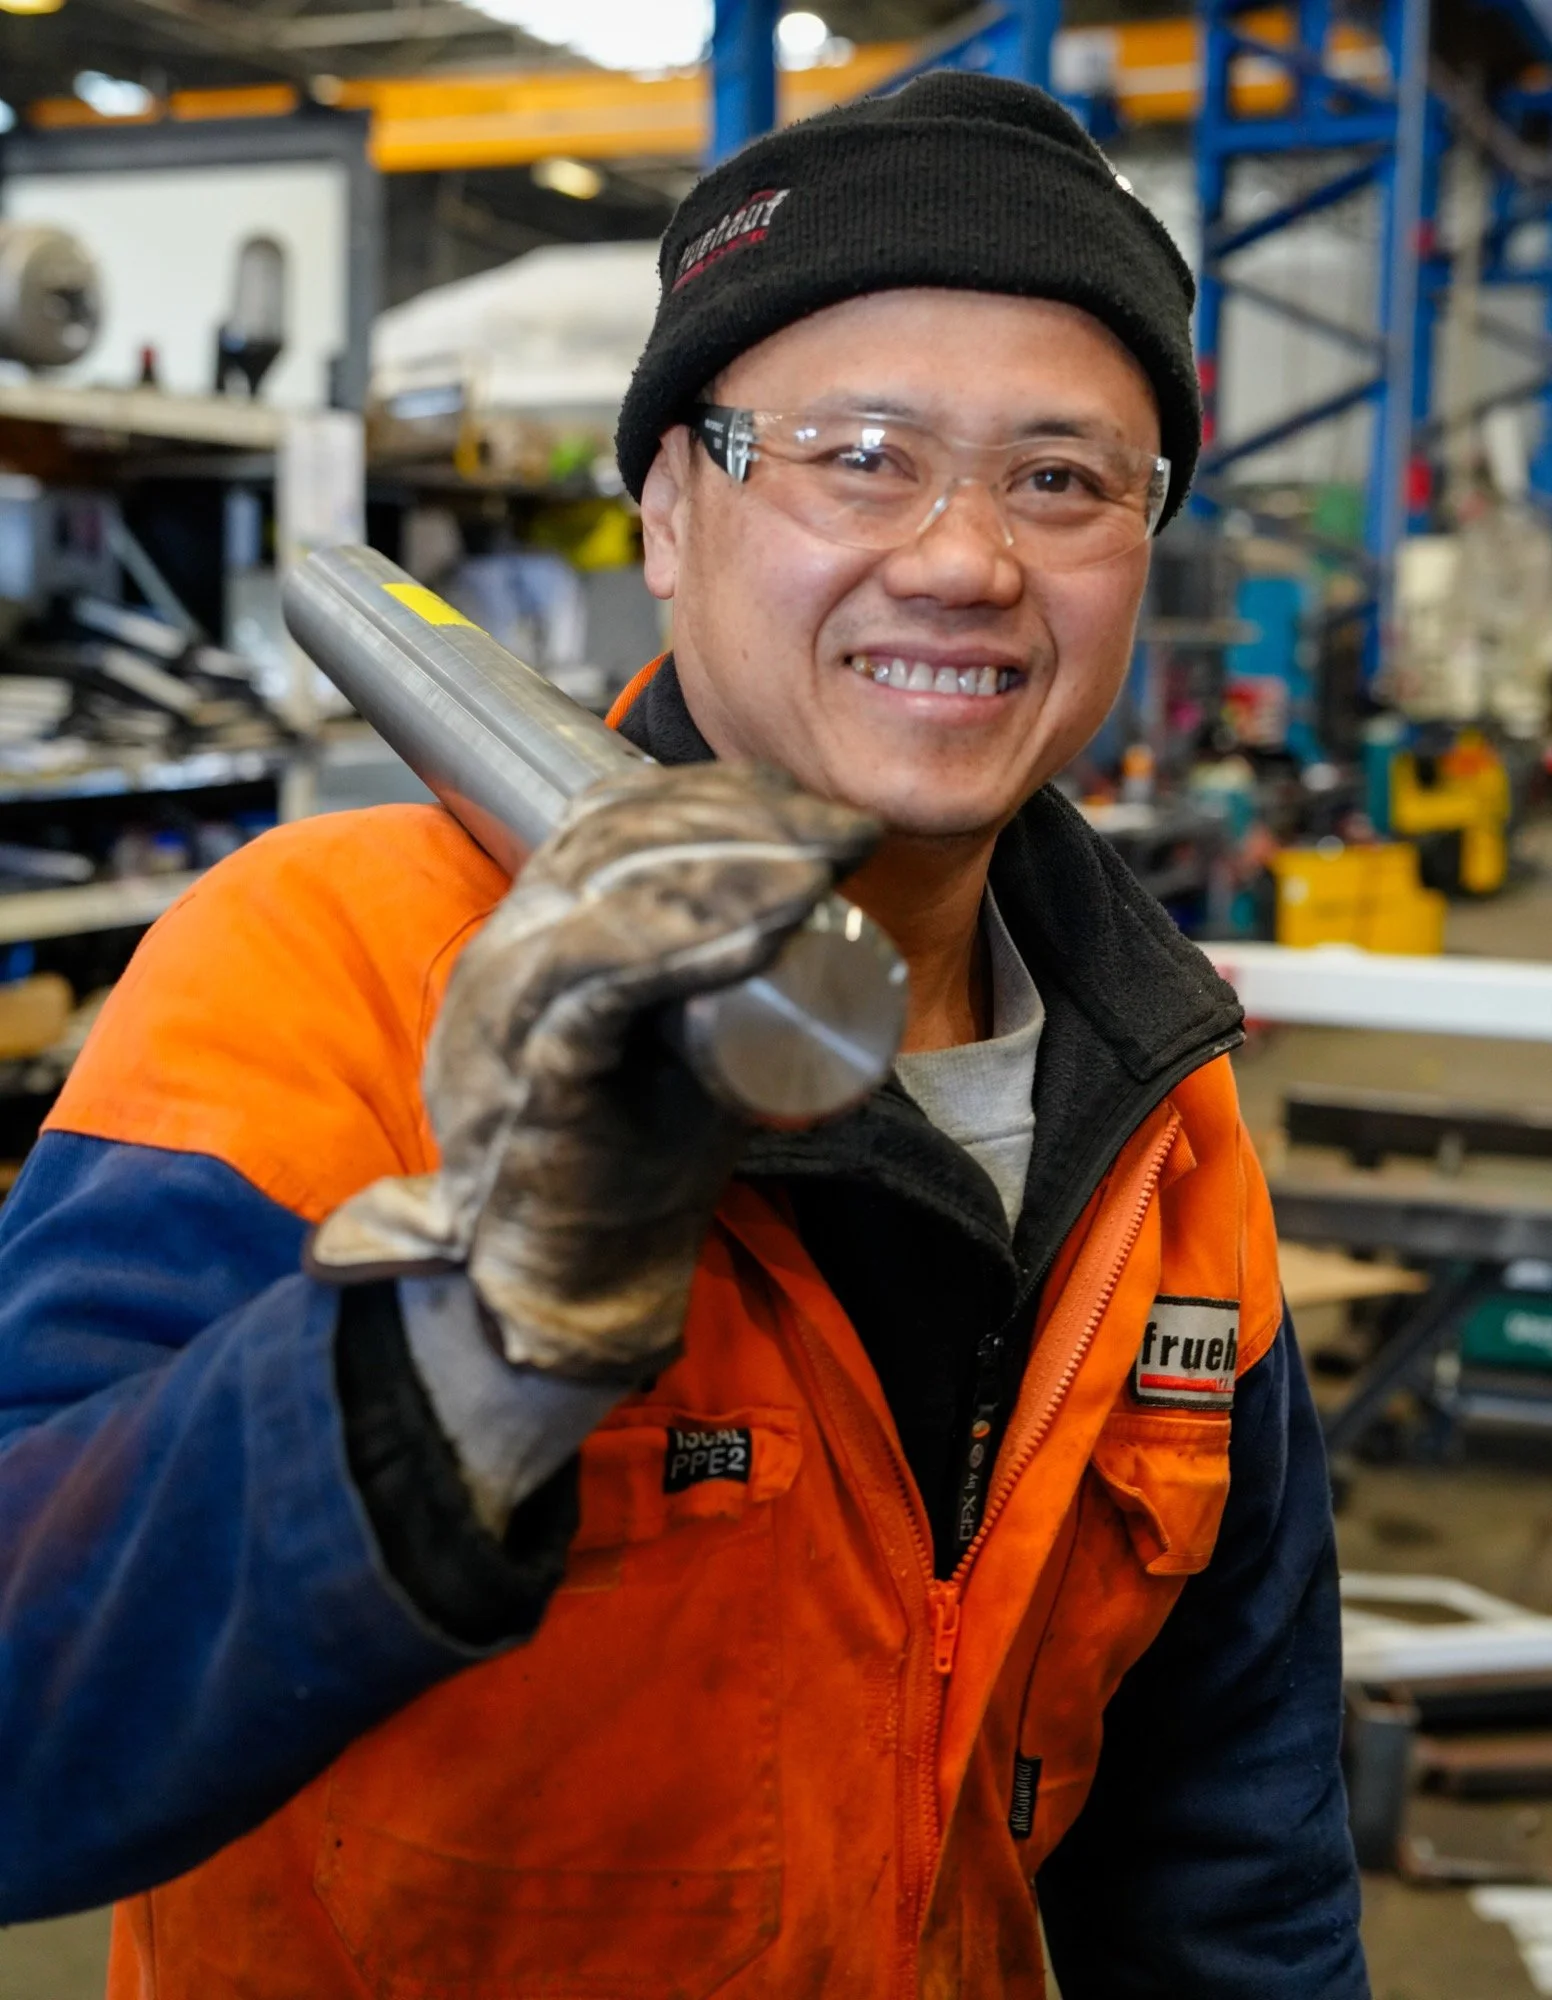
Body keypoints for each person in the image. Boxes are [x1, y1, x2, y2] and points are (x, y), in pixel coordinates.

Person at [0, 73, 1367, 1999]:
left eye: (1063, 479)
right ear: (666, 511)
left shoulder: (1163, 1113)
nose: (966, 558)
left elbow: (1236, 1854)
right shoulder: (321, 967)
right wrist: (467, 1345)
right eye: (860, 456)